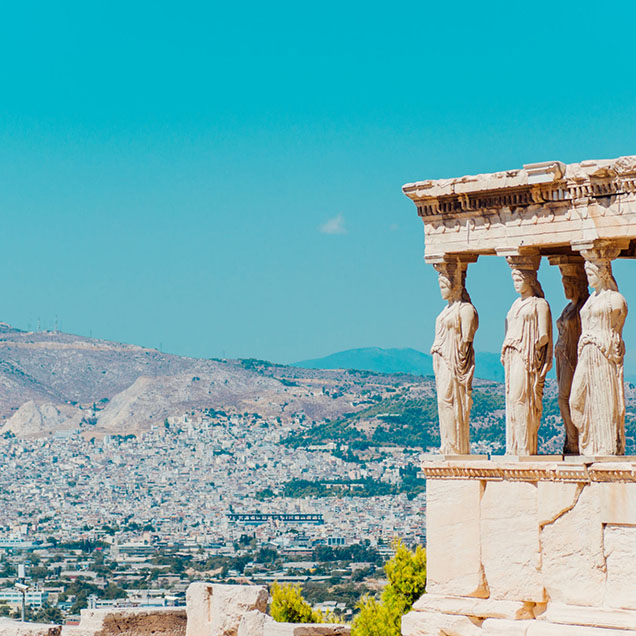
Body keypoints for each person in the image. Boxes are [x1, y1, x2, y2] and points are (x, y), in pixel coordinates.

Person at [570, 258, 627, 455]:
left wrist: (612, 345)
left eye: (591, 274)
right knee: (575, 401)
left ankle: (605, 446)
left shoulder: (615, 300)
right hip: (586, 352)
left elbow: (617, 329)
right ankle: (588, 442)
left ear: (602, 274)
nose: (588, 278)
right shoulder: (590, 299)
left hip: (603, 352)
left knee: (604, 398)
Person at [501, 267, 552, 455]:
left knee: (522, 397)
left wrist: (529, 347)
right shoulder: (514, 305)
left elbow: (544, 335)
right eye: (513, 280)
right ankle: (514, 446)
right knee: (512, 400)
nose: (515, 284)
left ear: (529, 280)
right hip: (512, 355)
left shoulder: (540, 304)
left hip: (527, 356)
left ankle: (525, 446)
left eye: (518, 279)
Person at [431, 263, 479, 455]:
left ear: (454, 286)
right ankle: (448, 444)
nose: (441, 291)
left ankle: (457, 446)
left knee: (451, 401)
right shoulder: (446, 310)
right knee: (443, 402)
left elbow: (467, 339)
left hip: (455, 362)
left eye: (444, 286)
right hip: (442, 360)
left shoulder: (466, 309)